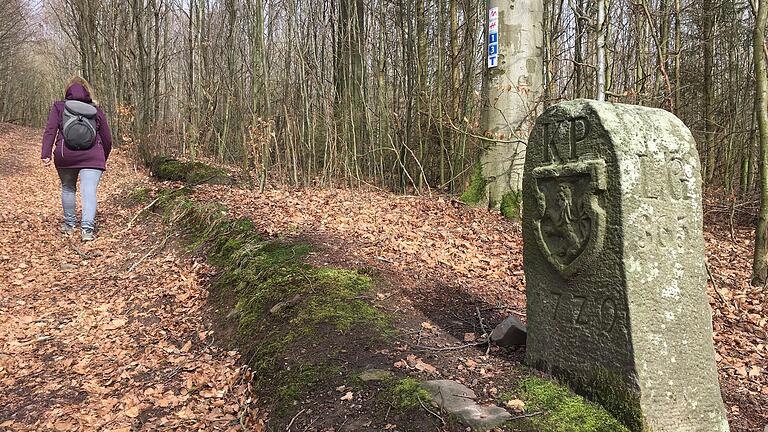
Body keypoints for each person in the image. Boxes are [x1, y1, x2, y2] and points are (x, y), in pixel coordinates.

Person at [41, 76, 112, 241]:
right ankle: (87, 230)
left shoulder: (60, 107)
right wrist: (103, 157)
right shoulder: (96, 110)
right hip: (93, 156)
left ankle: (69, 225)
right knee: (88, 191)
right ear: (88, 91)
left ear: (67, 90)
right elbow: (107, 138)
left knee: (68, 188)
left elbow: (50, 130)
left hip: (66, 155)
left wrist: (45, 154)